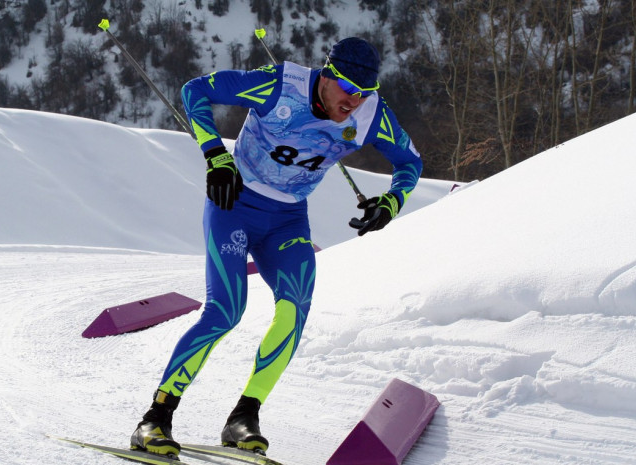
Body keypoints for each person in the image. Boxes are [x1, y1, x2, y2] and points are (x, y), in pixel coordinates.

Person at [130, 37, 423, 457]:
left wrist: (391, 203)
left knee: (295, 308)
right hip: (234, 203)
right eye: (346, 89)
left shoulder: (371, 115)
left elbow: (411, 162)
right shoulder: (278, 85)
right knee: (226, 310)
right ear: (326, 75)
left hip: (287, 220)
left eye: (364, 93)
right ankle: (154, 419)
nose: (354, 101)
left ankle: (243, 416)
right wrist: (216, 155)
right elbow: (195, 89)